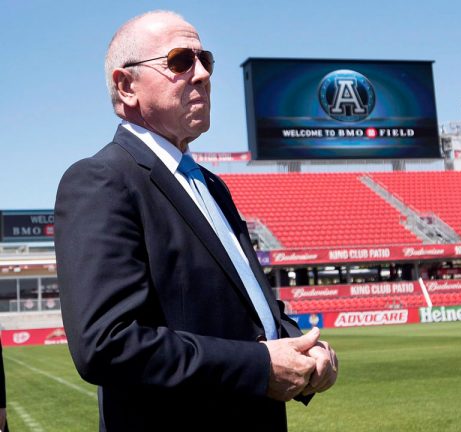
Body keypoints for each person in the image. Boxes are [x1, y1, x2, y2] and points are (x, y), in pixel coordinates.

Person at [55, 11, 337, 431]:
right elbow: (106, 344)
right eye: (180, 61)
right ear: (126, 85)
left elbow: (251, 311)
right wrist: (258, 366)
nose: (203, 73)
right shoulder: (102, 180)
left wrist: (303, 349)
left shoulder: (212, 187)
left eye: (205, 59)